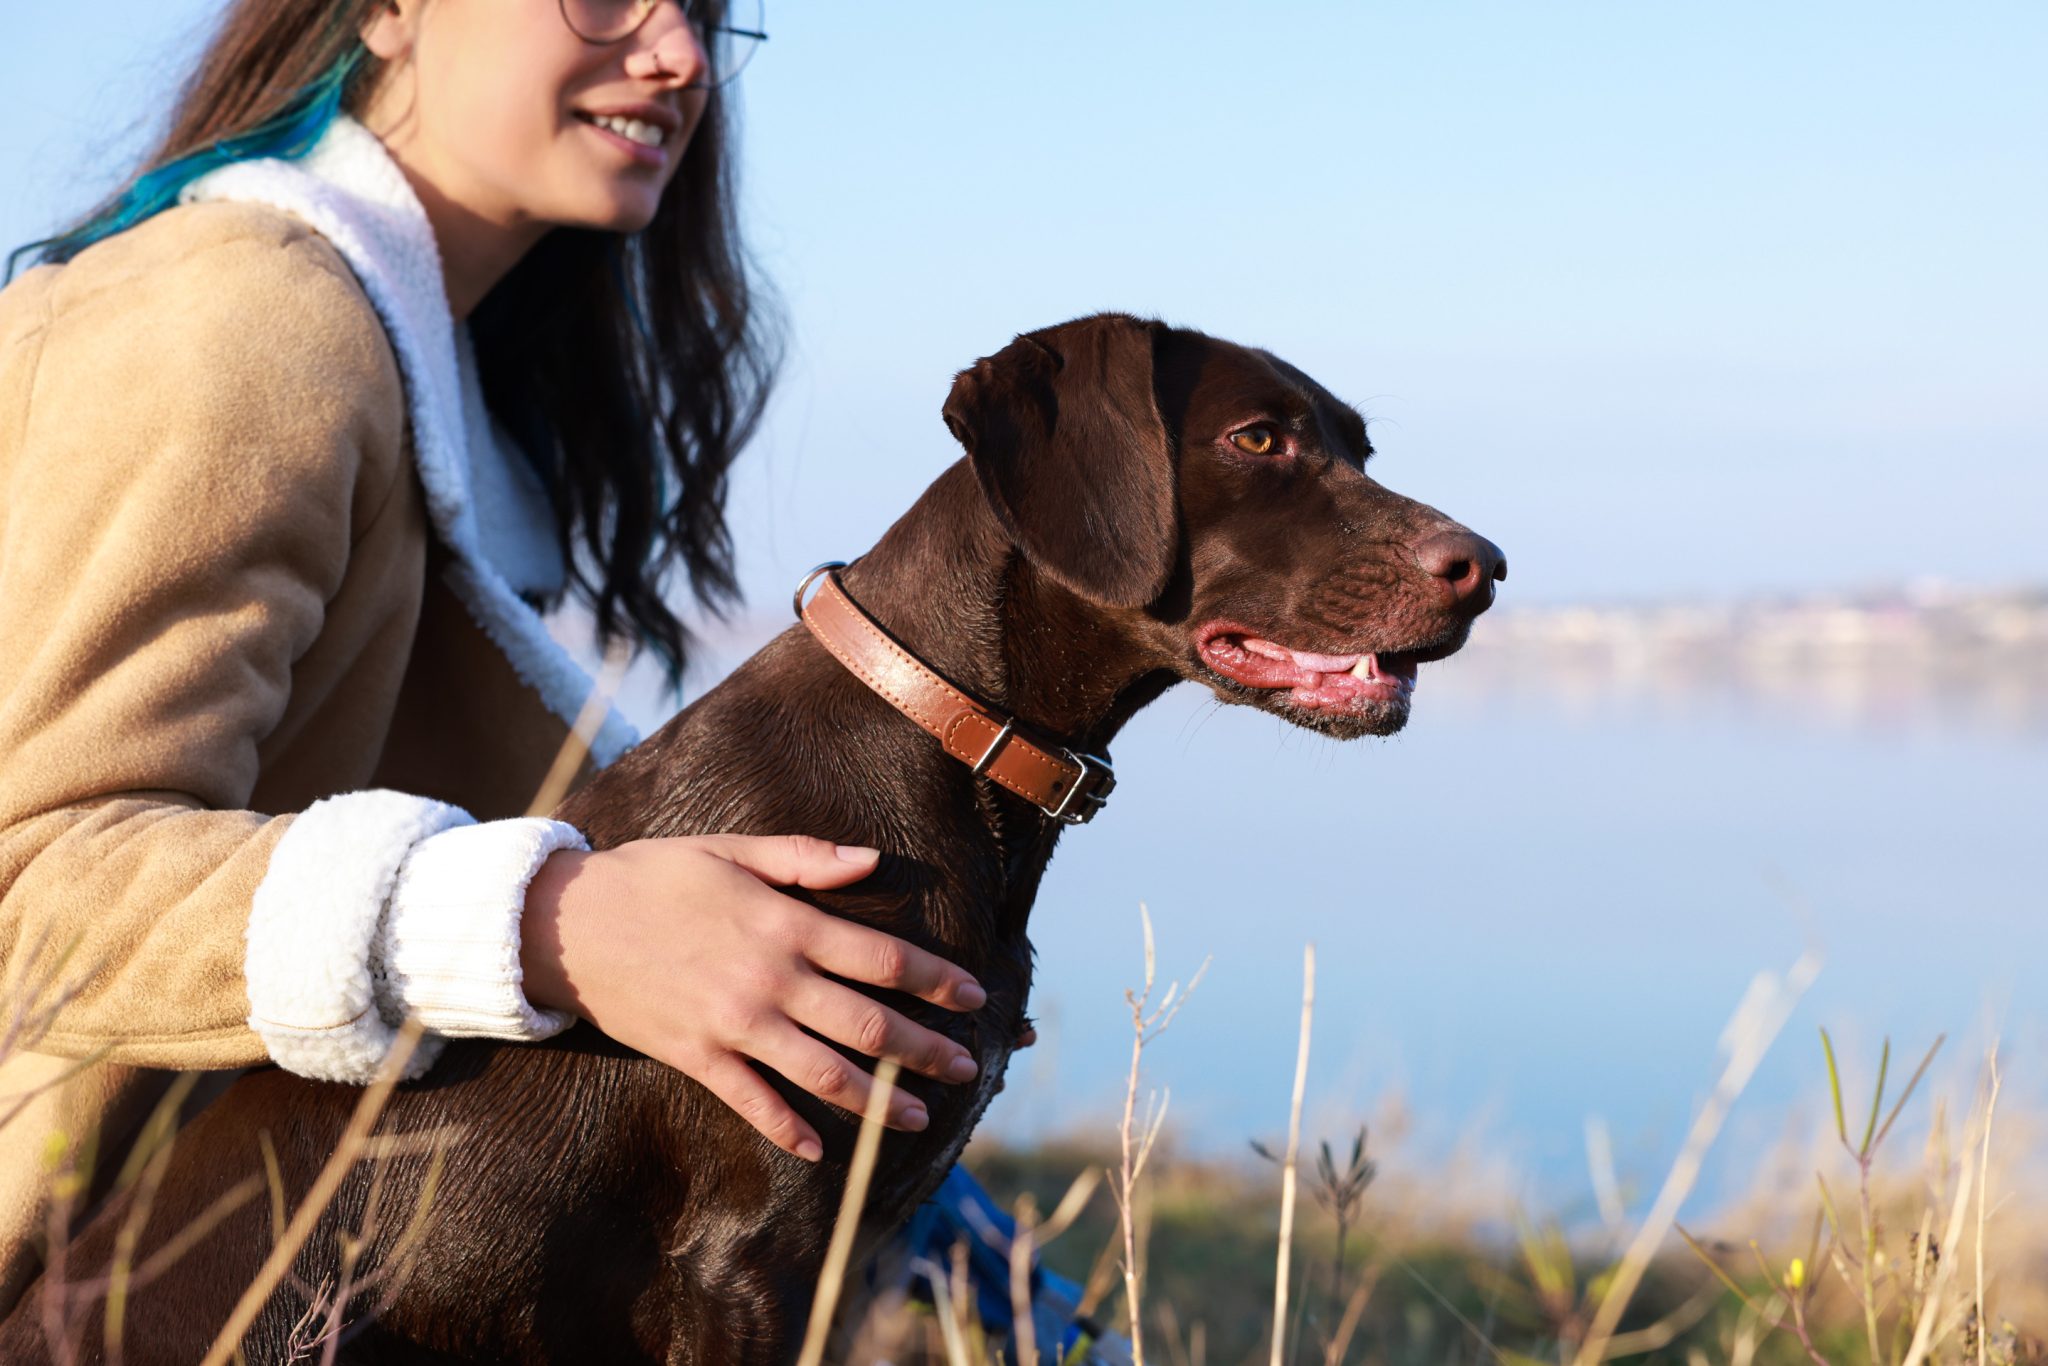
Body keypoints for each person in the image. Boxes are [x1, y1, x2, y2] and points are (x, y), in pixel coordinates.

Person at [0, 0, 1011, 1330]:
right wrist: (549, 923)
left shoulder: (431, 366)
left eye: (704, 10)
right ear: (387, 11)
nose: (680, 56)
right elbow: (33, 880)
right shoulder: (239, 312)